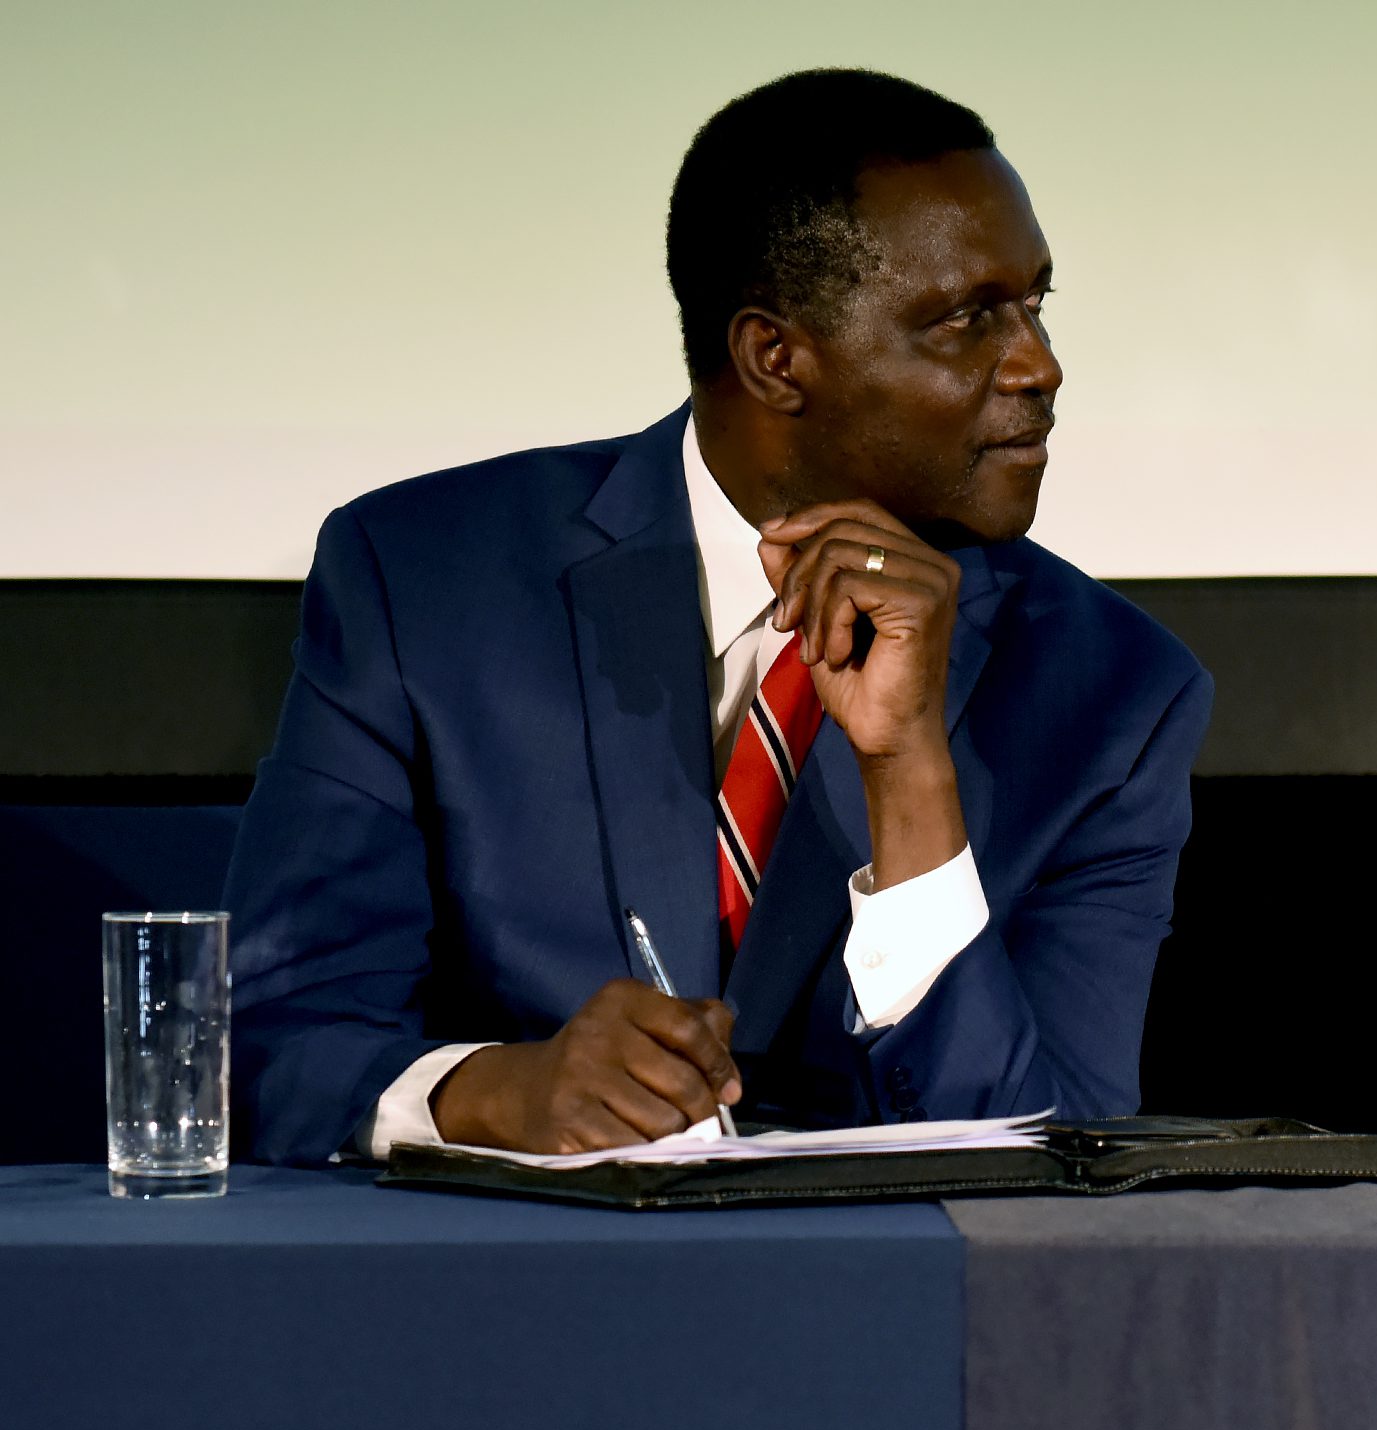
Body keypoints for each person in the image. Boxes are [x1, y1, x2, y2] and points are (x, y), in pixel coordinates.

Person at [226, 70, 1212, 1164]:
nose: (1039, 365)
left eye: (1035, 303)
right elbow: (268, 1047)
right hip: (509, 1301)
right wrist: (501, 1094)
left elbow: (1062, 1157)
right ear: (775, 358)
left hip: (895, 1317)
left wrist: (911, 776)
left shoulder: (1117, 694)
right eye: (967, 320)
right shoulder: (425, 581)